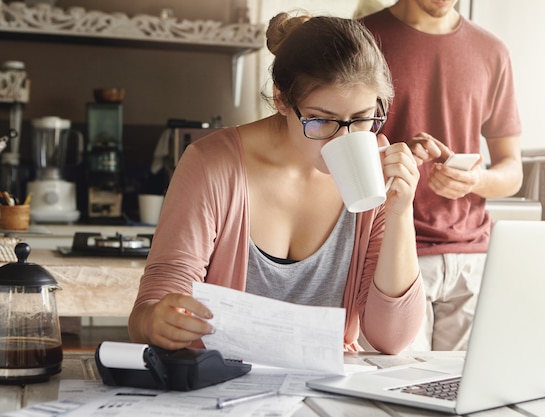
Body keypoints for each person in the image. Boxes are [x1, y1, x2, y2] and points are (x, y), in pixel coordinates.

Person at [128, 12, 426, 354]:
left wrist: (401, 214)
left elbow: (392, 339)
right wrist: (156, 322)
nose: (342, 138)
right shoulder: (212, 165)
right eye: (321, 120)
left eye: (361, 119)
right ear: (282, 99)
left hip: (324, 394)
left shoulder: (375, 166)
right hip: (222, 392)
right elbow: (148, 313)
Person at [361, 0, 523, 351]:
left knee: (467, 398)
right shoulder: (362, 40)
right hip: (390, 252)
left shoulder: (493, 52)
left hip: (474, 262)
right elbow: (335, 152)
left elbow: (513, 171)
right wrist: (393, 158)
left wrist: (475, 181)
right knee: (394, 397)